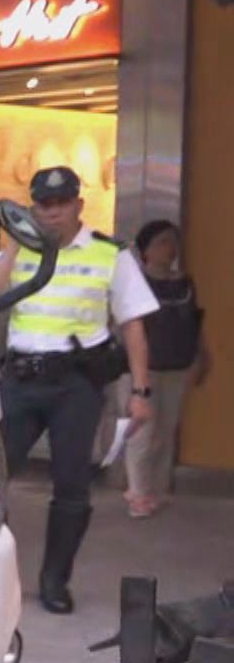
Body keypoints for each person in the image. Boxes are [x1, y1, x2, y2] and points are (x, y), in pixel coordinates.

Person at [0, 166, 157, 613]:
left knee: (72, 486)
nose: (53, 212)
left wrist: (141, 392)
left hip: (75, 384)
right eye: (44, 204)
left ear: (79, 204)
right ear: (33, 207)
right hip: (21, 381)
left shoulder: (108, 253)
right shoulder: (19, 251)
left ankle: (55, 581)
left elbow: (133, 325)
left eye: (61, 203)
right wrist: (16, 241)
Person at [124, 219, 212, 517]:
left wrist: (201, 354)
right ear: (146, 250)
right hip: (144, 369)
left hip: (177, 365)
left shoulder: (185, 284)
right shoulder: (136, 283)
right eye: (162, 242)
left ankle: (157, 490)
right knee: (142, 433)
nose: (170, 248)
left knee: (165, 430)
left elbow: (194, 322)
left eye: (173, 241)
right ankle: (137, 493)